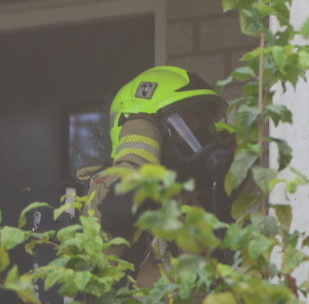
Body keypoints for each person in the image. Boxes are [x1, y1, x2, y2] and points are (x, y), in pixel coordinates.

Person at [83, 66, 234, 287]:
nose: (201, 133)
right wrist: (139, 143)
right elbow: (118, 212)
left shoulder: (195, 198)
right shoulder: (105, 188)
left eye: (205, 123)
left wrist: (233, 175)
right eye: (188, 122)